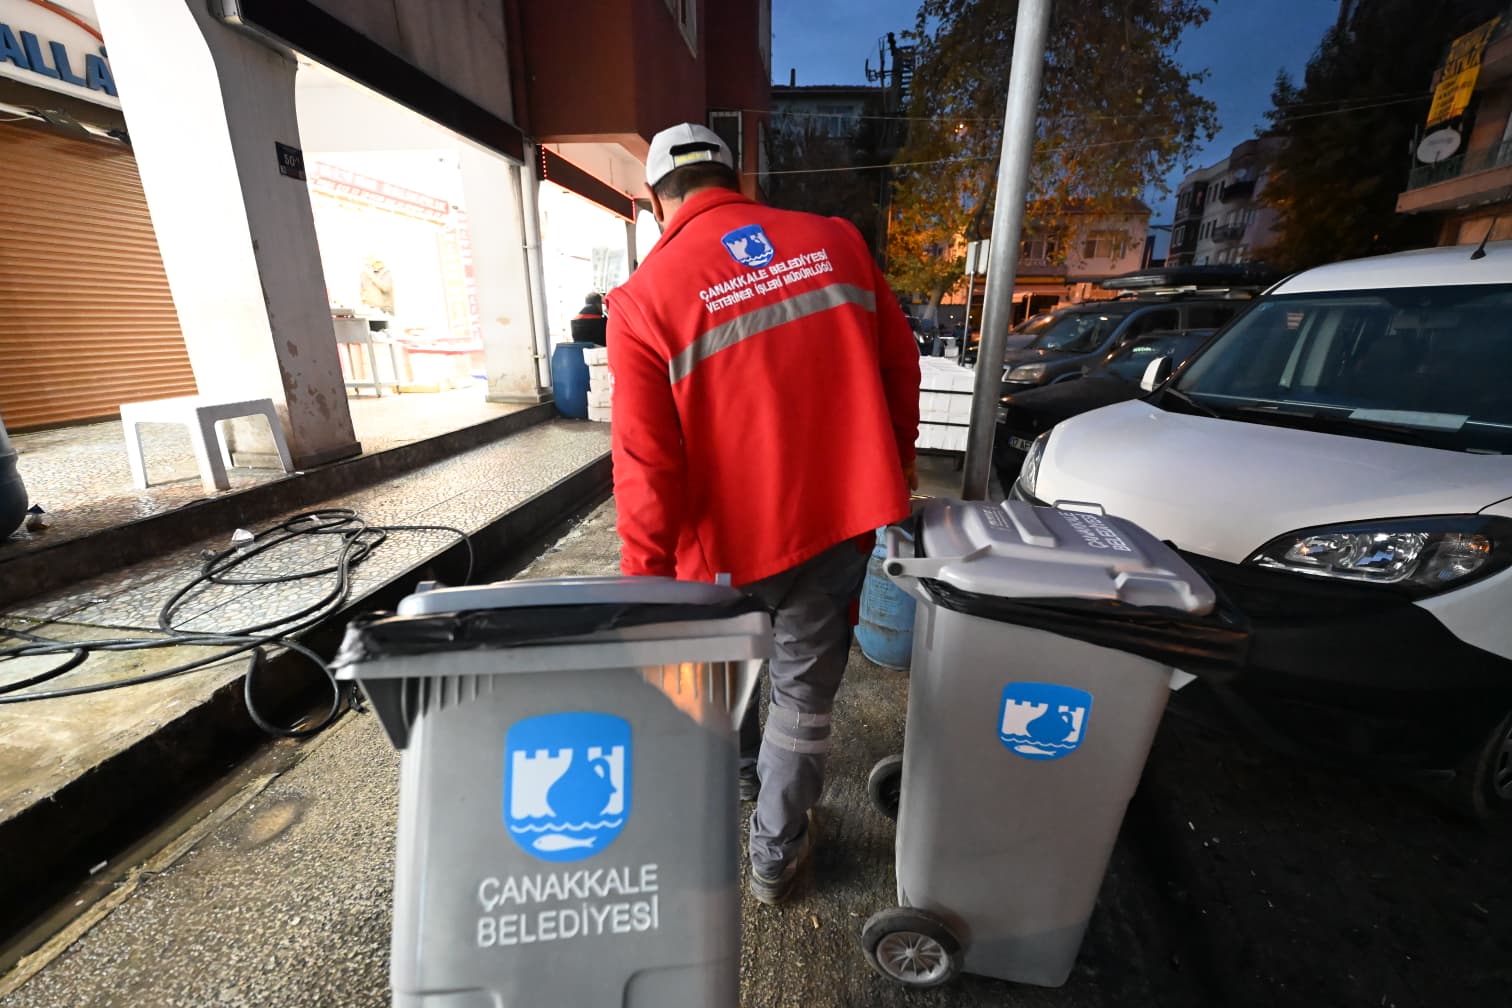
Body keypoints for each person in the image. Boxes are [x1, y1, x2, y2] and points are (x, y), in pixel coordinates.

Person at [606, 122, 920, 905]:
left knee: (720, 677)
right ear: (733, 177)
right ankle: (776, 855)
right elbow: (900, 367)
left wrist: (645, 588)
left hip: (723, 550)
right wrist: (894, 469)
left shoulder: (643, 299)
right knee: (803, 698)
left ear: (654, 201)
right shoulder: (837, 242)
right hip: (834, 526)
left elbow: (646, 466)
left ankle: (741, 777)